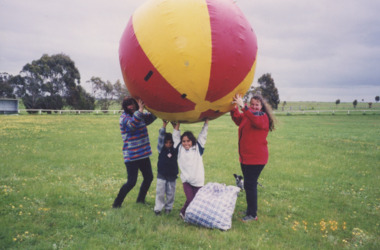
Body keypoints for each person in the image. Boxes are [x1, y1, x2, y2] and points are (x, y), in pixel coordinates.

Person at [230, 94, 275, 222]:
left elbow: (253, 119)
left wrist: (243, 106)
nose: (254, 107)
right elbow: (238, 119)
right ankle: (250, 210)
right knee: (249, 185)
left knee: (250, 185)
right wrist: (233, 108)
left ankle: (252, 214)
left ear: (261, 107)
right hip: (246, 158)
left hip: (256, 159)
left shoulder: (262, 117)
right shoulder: (248, 115)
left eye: (257, 105)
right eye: (252, 104)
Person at [113, 96, 157, 208]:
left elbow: (152, 116)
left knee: (149, 177)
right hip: (131, 156)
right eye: (128, 104)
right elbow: (132, 125)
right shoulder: (124, 118)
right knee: (131, 182)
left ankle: (140, 200)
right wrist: (140, 110)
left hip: (143, 154)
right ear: (125, 107)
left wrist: (155, 107)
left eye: (133, 103)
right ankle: (117, 204)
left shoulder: (140, 116)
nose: (131, 106)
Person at [173, 119, 209, 219]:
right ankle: (184, 212)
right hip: (186, 180)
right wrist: (177, 124)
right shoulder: (179, 148)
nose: (186, 143)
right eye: (183, 141)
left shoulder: (198, 148)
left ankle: (187, 212)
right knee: (190, 198)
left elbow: (203, 136)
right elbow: (175, 137)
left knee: (197, 200)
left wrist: (206, 124)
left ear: (192, 141)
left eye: (188, 141)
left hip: (198, 180)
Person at [154, 120, 179, 215]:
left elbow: (178, 139)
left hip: (172, 174)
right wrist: (164, 126)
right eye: (166, 142)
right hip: (162, 174)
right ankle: (158, 208)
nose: (168, 144)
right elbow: (160, 137)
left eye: (170, 142)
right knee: (160, 192)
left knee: (171, 193)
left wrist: (175, 127)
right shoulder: (161, 148)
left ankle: (168, 207)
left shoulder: (175, 149)